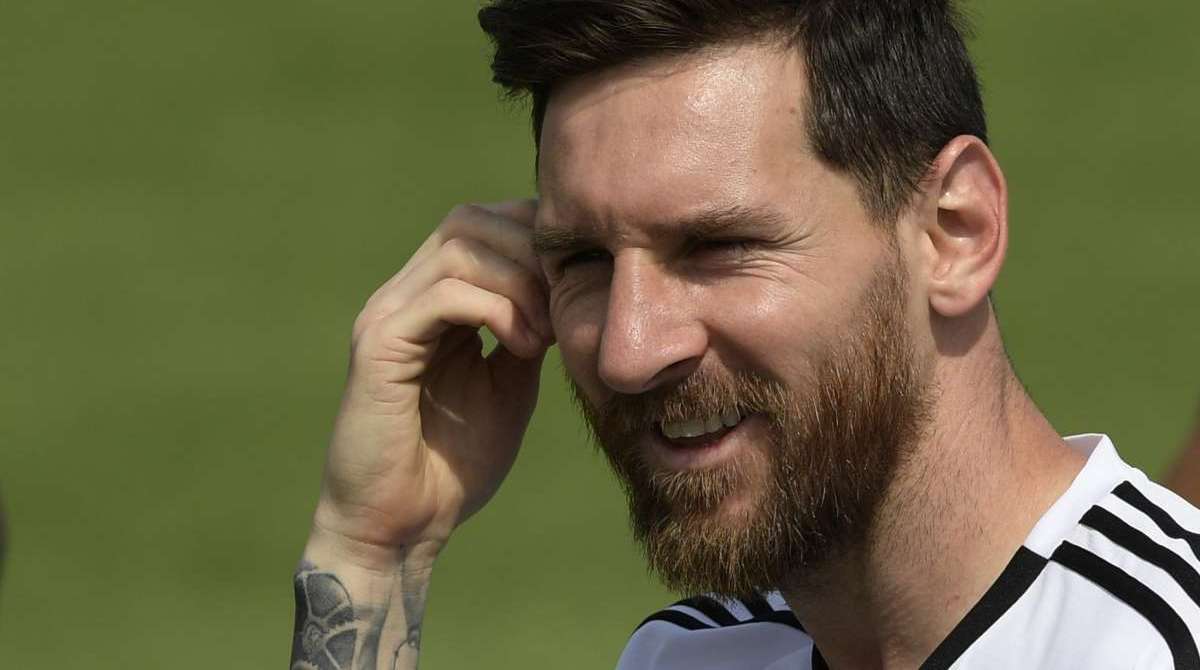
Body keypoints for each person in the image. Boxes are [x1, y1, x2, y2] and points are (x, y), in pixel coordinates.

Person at [289, 2, 1200, 668]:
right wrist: (372, 555)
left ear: (953, 233)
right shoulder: (691, 657)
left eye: (719, 245)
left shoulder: (1161, 643)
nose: (628, 350)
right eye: (584, 262)